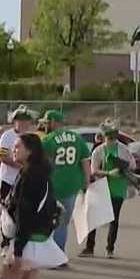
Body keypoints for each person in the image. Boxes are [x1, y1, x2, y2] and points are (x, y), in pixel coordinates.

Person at [0, 133, 56, 279]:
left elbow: (25, 213)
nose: (14, 150)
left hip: (26, 240)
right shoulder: (42, 173)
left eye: (18, 146)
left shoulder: (30, 176)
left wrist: (18, 250)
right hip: (38, 238)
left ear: (30, 150)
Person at [40, 109, 91, 258]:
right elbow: (85, 162)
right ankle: (58, 254)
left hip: (52, 184)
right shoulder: (78, 138)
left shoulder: (48, 139)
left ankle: (48, 254)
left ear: (53, 122)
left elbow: (41, 162)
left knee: (47, 221)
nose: (45, 125)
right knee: (63, 223)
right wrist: (87, 181)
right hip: (72, 185)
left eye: (47, 122)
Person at [82, 123, 135, 258]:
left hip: (116, 188)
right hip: (102, 187)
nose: (110, 140)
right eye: (109, 137)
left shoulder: (122, 150)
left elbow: (132, 165)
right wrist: (109, 173)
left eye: (112, 138)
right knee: (95, 218)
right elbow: (94, 171)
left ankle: (108, 248)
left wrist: (122, 168)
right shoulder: (99, 151)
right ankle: (92, 248)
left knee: (113, 219)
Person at [0, 105, 36, 204]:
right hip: (8, 180)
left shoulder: (32, 137)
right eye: (21, 120)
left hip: (25, 181)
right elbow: (2, 156)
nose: (25, 123)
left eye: (27, 120)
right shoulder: (7, 136)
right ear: (15, 121)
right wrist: (21, 166)